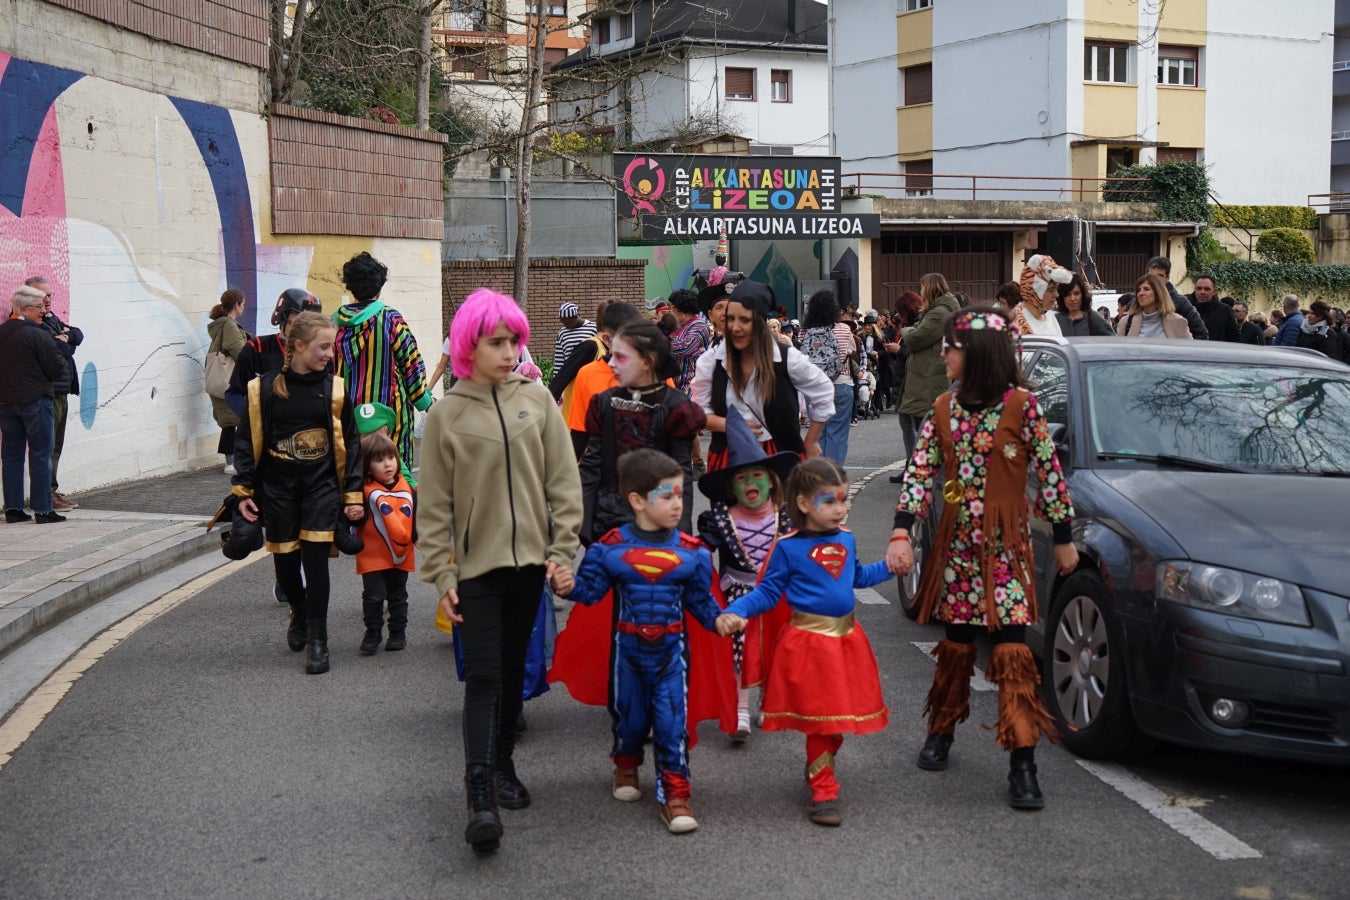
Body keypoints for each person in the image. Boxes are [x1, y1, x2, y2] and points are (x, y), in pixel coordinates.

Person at [889, 305, 1077, 811]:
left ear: (976, 355)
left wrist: (1063, 535)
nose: (944, 355)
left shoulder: (1024, 407)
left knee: (1013, 651)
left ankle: (1023, 760)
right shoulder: (943, 409)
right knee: (955, 644)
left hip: (1006, 549)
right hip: (955, 547)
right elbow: (918, 472)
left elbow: (1051, 474)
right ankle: (942, 729)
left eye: (951, 348)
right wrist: (901, 531)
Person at [417, 288, 583, 854]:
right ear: (469, 345)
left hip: (530, 569)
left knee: (514, 671)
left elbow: (563, 483)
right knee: (484, 676)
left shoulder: (537, 402)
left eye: (515, 340)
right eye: (497, 341)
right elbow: (434, 506)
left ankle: (505, 764)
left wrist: (562, 553)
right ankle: (479, 791)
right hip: (475, 572)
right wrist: (441, 577)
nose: (510, 350)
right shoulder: (446, 415)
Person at [714, 457, 895, 827]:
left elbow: (857, 576)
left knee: (838, 720)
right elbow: (766, 592)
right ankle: (824, 792)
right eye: (828, 501)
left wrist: (893, 566)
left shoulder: (846, 538)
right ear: (802, 504)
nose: (840, 508)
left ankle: (819, 765)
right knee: (822, 724)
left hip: (847, 641)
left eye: (842, 500)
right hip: (809, 645)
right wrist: (738, 611)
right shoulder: (787, 548)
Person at [555, 449, 722, 834]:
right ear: (637, 501)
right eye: (667, 496)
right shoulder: (609, 547)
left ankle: (676, 792)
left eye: (680, 495)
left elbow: (701, 603)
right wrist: (566, 586)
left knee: (671, 724)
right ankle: (626, 763)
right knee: (629, 720)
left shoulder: (692, 553)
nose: (678, 504)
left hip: (671, 653)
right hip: (627, 653)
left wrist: (723, 621)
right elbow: (590, 592)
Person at [232, 311, 363, 675]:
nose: (329, 354)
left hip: (320, 488)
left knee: (316, 561)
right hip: (278, 490)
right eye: (323, 347)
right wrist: (243, 491)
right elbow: (245, 442)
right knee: (286, 563)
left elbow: (351, 442)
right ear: (299, 346)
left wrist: (352, 495)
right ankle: (300, 611)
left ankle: (318, 639)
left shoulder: (335, 388)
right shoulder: (264, 390)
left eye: (331, 346)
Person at [697, 408, 796, 743]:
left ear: (771, 480)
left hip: (777, 595)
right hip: (737, 594)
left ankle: (768, 703)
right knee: (738, 651)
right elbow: (700, 550)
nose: (750, 483)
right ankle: (740, 709)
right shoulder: (721, 519)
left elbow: (805, 552)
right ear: (730, 487)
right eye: (741, 478)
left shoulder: (786, 518)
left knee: (775, 650)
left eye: (757, 475)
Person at [578, 320, 705, 542]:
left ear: (647, 362)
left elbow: (681, 471)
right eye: (612, 355)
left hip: (659, 517)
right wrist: (584, 526)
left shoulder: (675, 407)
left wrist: (681, 532)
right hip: (608, 520)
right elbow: (591, 465)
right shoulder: (604, 403)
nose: (611, 365)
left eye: (621, 357)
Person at [691, 280, 834, 469]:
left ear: (760, 322)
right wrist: (728, 425)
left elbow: (823, 390)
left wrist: (812, 440)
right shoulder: (711, 361)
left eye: (744, 320)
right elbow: (698, 411)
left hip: (781, 455)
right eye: (731, 318)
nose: (734, 327)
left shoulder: (786, 358)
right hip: (730, 458)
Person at [332, 252, 433, 472]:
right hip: (390, 418)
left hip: (349, 416)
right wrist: (425, 402)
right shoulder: (390, 320)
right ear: (379, 287)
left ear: (350, 287)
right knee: (394, 472)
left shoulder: (335, 324)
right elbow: (411, 366)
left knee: (355, 472)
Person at [1, 285, 69, 524]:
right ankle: (42, 510)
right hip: (35, 401)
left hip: (6, 403)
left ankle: (14, 509)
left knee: (11, 455)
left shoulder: (2, 332)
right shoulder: (38, 335)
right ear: (22, 308)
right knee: (41, 454)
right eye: (38, 307)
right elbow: (56, 367)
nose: (43, 311)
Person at [891, 274, 961, 483]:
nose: (920, 292)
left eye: (922, 287)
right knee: (916, 422)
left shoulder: (940, 312)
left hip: (928, 378)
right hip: (922, 377)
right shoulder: (937, 310)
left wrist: (906, 330)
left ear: (929, 288)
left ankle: (925, 472)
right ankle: (916, 468)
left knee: (926, 426)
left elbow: (916, 338)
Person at [354, 431, 415, 655]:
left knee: (398, 594)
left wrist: (419, 537)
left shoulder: (406, 487)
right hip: (372, 551)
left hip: (400, 551)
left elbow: (415, 517)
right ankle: (373, 632)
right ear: (367, 466)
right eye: (379, 460)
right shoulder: (363, 490)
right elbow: (355, 516)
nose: (387, 464)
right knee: (373, 595)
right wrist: (353, 513)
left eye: (391, 458)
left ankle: (398, 632)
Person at [225, 288, 323, 419]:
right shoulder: (256, 348)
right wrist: (253, 422)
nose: (305, 327)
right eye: (300, 319)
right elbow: (233, 393)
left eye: (311, 322)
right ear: (282, 315)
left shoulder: (320, 353)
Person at [28, 276, 83, 510]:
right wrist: (66, 340)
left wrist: (67, 337)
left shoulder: (51, 318)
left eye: (49, 295)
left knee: (56, 445)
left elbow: (77, 335)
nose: (48, 300)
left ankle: (51, 490)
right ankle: (44, 495)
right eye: (42, 295)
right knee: (47, 446)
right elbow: (60, 348)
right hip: (48, 392)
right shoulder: (33, 323)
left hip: (62, 390)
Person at [566, 301, 645, 458]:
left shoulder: (656, 371)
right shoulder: (587, 374)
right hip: (603, 473)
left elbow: (674, 439)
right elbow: (579, 437)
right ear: (607, 339)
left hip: (649, 473)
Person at [207, 289, 250, 475]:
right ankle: (230, 464)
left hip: (222, 380)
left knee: (230, 421)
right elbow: (239, 351)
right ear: (236, 305)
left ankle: (232, 462)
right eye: (243, 304)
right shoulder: (229, 326)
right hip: (228, 380)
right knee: (232, 421)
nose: (244, 307)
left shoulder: (223, 324)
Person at [1145, 256, 1209, 340]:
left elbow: (1201, 334)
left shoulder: (1180, 303)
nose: (1155, 280)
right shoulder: (1138, 301)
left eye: (1159, 276)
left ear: (1167, 278)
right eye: (1151, 276)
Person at [1115, 274, 1192, 339]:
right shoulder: (1126, 322)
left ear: (1158, 292)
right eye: (1138, 290)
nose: (1141, 293)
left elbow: (1189, 351)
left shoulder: (1178, 321)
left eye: (1146, 289)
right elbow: (1118, 351)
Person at [1013, 255, 1071, 337]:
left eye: (1056, 289)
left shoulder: (1050, 316)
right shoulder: (1016, 321)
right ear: (1034, 291)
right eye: (1051, 289)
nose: (1056, 294)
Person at [1188, 275, 1239, 342]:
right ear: (1194, 290)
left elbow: (1235, 337)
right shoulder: (1185, 308)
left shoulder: (1225, 311)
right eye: (1199, 288)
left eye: (1207, 289)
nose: (1202, 292)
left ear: (1214, 291)